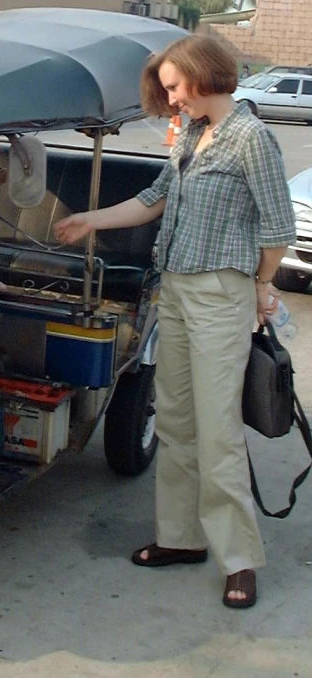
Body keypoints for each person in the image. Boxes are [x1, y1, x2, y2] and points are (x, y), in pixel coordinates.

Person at [54, 35, 296, 609]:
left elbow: (277, 229)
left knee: (217, 430)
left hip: (220, 294)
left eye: (172, 88)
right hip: (177, 293)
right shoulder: (190, 135)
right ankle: (181, 539)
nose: (170, 100)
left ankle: (239, 559)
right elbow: (153, 197)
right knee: (178, 421)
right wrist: (90, 220)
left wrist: (261, 287)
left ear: (202, 74)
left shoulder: (251, 138)